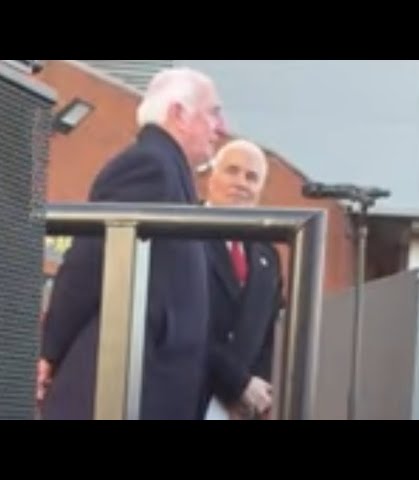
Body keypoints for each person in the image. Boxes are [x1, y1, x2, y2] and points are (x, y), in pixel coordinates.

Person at [37, 67, 226, 420]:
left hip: (148, 389)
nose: (222, 127)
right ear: (178, 114)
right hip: (121, 390)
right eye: (213, 112)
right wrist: (50, 351)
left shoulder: (171, 171)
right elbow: (90, 262)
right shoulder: (148, 165)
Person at [200, 139, 283, 420]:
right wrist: (237, 383)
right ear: (211, 177)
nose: (241, 183)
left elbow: (268, 335)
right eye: (232, 171)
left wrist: (256, 391)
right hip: (188, 393)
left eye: (252, 177)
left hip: (239, 410)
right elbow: (184, 322)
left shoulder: (267, 254)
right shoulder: (183, 235)